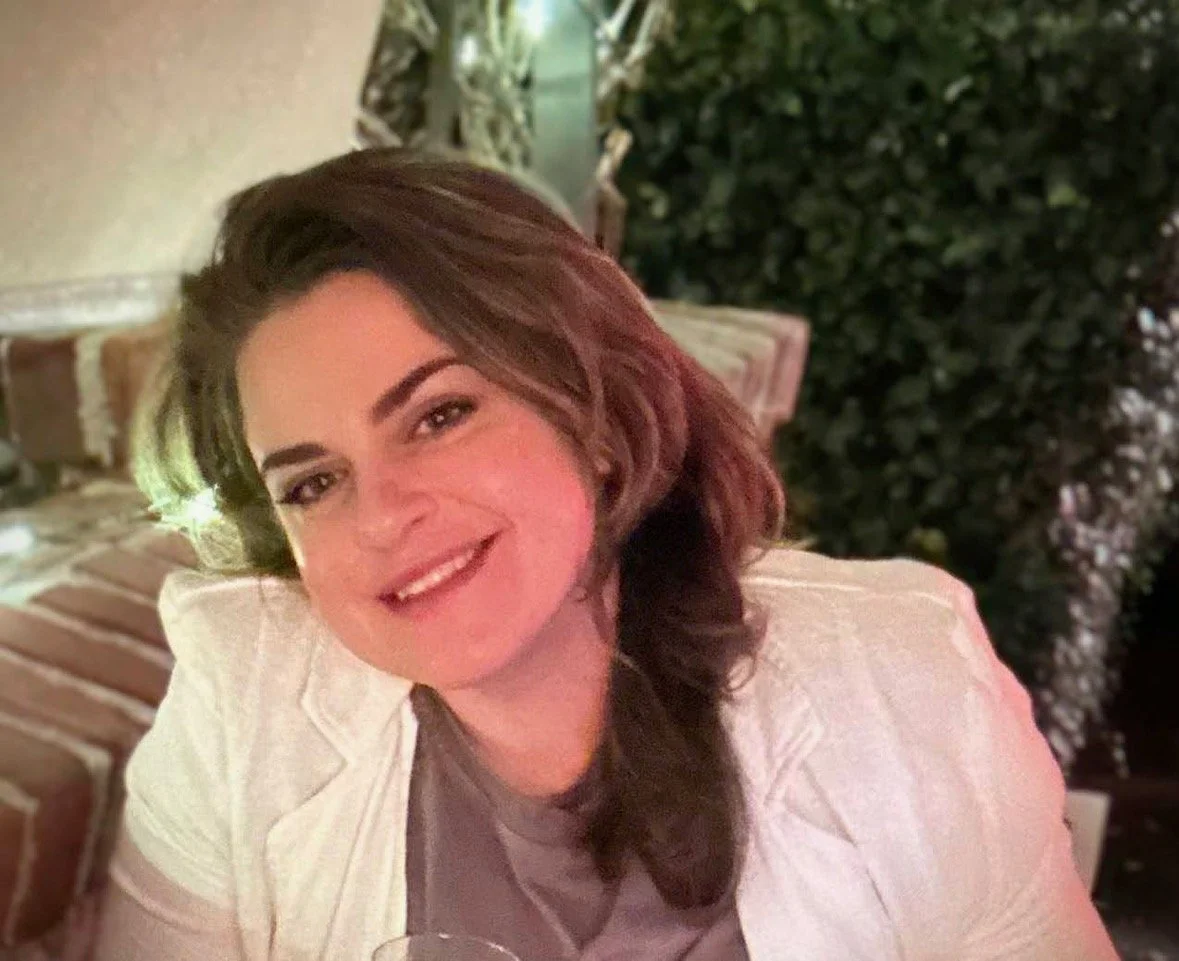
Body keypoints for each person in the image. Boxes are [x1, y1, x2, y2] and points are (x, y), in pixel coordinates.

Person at [93, 148, 1118, 961]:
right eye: (313, 483)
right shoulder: (244, 709)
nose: (382, 517)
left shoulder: (899, 689)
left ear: (592, 411)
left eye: (439, 415)